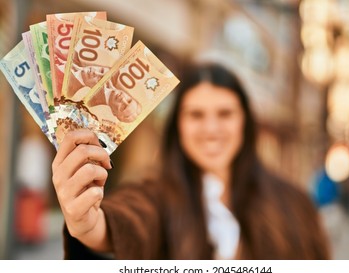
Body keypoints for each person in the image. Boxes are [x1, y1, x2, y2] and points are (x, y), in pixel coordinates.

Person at [52, 62, 331, 259]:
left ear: (245, 122)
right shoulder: (153, 196)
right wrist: (88, 225)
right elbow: (128, 221)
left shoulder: (294, 203)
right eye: (196, 115)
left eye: (225, 114)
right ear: (178, 126)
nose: (211, 129)